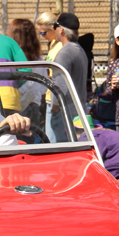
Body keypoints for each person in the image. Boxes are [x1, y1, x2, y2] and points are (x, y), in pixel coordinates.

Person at [47, 13, 88, 142]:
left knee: (59, 152)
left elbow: (60, 87)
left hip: (65, 114)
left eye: (55, 27)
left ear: (61, 30)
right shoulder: (79, 50)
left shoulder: (65, 53)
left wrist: (54, 109)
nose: (54, 31)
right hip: (78, 111)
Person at [7, 18, 45, 123]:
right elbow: (42, 89)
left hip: (12, 107)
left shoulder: (9, 60)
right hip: (33, 107)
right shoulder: (39, 61)